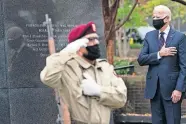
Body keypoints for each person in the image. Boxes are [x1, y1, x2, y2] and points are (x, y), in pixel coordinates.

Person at [40, 21, 127, 124]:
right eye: (90, 40)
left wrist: (99, 91)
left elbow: (121, 98)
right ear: (78, 45)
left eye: (96, 39)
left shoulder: (105, 67)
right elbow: (47, 78)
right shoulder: (66, 68)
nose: (96, 42)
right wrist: (66, 52)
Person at [137, 5, 186, 124]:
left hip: (172, 90)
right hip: (154, 89)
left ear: (167, 18)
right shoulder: (149, 36)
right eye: (153, 16)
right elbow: (141, 59)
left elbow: (184, 66)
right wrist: (159, 54)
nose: (154, 19)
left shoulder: (180, 37)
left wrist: (179, 89)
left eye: (157, 16)